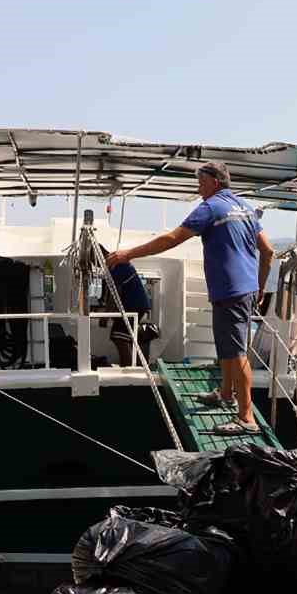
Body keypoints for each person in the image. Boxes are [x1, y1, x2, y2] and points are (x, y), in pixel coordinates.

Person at [107, 161, 273, 435]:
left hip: (230, 290)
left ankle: (246, 419)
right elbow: (267, 251)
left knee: (237, 352)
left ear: (215, 182)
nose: (198, 188)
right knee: (228, 348)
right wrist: (260, 286)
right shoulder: (244, 208)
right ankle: (225, 394)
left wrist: (128, 254)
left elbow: (172, 239)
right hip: (241, 289)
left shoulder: (211, 207)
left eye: (201, 182)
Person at [98, 250, 160, 365]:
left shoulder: (118, 268)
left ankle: (128, 369)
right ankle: (134, 367)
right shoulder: (116, 266)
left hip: (134, 307)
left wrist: (105, 317)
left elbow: (114, 294)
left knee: (119, 338)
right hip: (133, 307)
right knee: (124, 338)